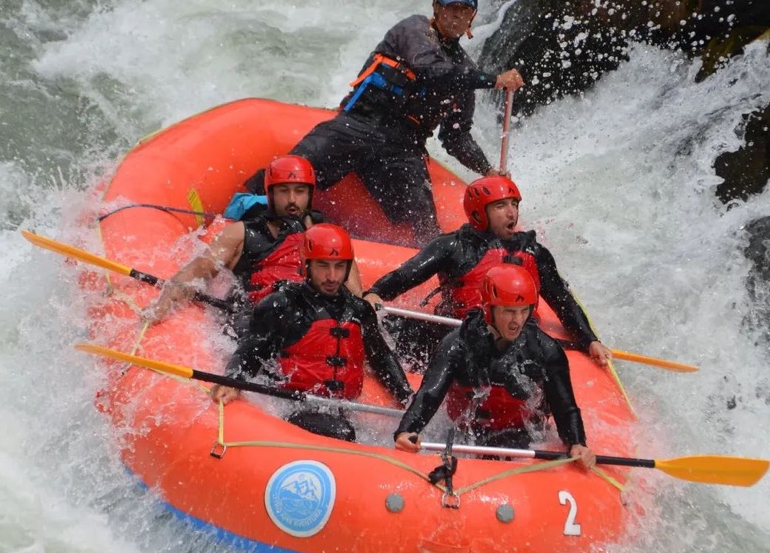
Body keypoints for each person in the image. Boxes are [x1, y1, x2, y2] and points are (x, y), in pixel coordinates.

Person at [288, 0, 525, 245]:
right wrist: (494, 80)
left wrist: (487, 170)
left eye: (464, 12)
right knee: (292, 173)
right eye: (450, 8)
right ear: (436, 8)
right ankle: (248, 216)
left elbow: (455, 137)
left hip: (403, 149)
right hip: (359, 124)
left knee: (425, 228)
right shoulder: (414, 30)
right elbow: (429, 70)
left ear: (471, 18)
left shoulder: (464, 73)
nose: (455, 16)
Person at [363, 174, 612, 368]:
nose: (511, 213)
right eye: (501, 206)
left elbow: (563, 301)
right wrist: (377, 292)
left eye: (514, 204)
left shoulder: (534, 253)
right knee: (382, 328)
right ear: (479, 212)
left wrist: (590, 340)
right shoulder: (452, 245)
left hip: (515, 338)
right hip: (458, 331)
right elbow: (408, 274)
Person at [211, 224, 413, 442]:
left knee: (344, 430)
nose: (332, 276)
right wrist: (233, 379)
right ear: (306, 265)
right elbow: (252, 349)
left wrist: (407, 398)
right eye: (323, 266)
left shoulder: (359, 311)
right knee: (342, 432)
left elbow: (381, 358)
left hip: (338, 408)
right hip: (290, 404)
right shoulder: (283, 305)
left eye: (339, 267)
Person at [393, 264, 596, 469]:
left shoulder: (546, 350)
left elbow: (565, 408)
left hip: (523, 435)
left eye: (524, 311)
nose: (517, 321)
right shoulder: (457, 345)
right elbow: (429, 394)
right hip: (465, 432)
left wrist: (577, 442)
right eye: (509, 312)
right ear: (488, 309)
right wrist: (407, 430)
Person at [146, 155, 361, 321]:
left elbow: (355, 297)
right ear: (270, 194)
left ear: (310, 194)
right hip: (260, 322)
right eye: (284, 191)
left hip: (315, 323)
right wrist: (163, 304)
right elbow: (195, 272)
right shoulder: (240, 234)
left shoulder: (332, 238)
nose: (292, 199)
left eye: (300, 191)